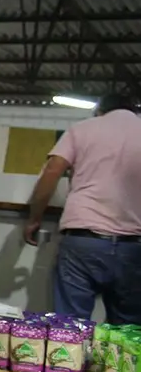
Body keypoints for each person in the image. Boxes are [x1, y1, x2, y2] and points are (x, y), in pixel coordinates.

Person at [25, 93, 141, 324]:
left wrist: (34, 219)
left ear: (99, 111)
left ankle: (70, 357)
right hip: (133, 247)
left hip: (82, 241)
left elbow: (52, 171)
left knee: (71, 325)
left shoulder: (82, 129)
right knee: (129, 331)